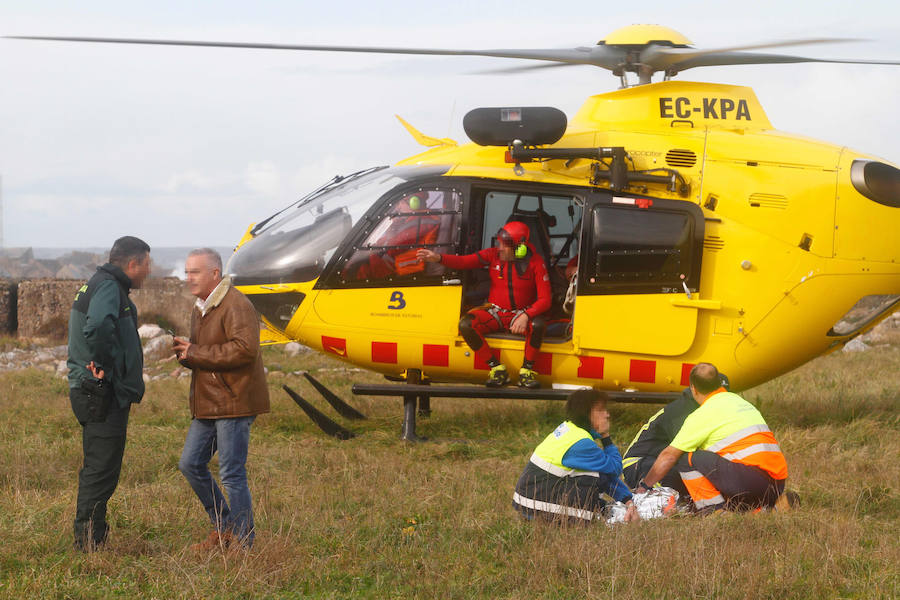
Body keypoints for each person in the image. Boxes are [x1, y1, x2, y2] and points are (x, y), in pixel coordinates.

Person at [173, 248, 270, 550]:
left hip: (234, 401)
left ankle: (244, 543)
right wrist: (186, 354)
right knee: (190, 464)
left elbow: (245, 349)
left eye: (195, 272)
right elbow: (207, 354)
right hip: (208, 403)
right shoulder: (200, 306)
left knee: (231, 474)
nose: (188, 278)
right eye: (187, 272)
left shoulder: (236, 304)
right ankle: (225, 527)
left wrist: (196, 352)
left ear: (215, 274)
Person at [67, 235, 151, 551]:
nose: (148, 272)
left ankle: (93, 538)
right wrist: (102, 364)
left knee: (100, 467)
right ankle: (88, 544)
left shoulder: (100, 283)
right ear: (133, 264)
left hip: (94, 390)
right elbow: (99, 325)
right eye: (146, 265)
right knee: (101, 470)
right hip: (100, 392)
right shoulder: (108, 287)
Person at [635, 363, 788, 512]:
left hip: (749, 482)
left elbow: (669, 456)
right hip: (777, 483)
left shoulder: (702, 415)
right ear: (718, 383)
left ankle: (714, 511)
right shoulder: (742, 403)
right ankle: (765, 507)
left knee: (685, 459)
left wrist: (645, 486)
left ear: (693, 389)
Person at [416, 221, 551, 388]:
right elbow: (465, 262)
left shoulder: (536, 262)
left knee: (538, 325)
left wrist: (526, 315)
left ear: (519, 248)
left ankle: (527, 372)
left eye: (504, 245)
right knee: (466, 324)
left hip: (520, 315)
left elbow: (545, 300)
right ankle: (497, 369)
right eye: (498, 243)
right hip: (495, 312)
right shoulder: (492, 254)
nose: (499, 248)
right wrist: (438, 258)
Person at [512, 389, 639, 523]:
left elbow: (605, 474)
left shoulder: (570, 430)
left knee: (594, 473)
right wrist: (606, 436)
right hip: (538, 507)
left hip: (529, 502)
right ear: (586, 414)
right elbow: (615, 468)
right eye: (601, 410)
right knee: (591, 478)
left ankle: (603, 510)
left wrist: (627, 500)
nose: (607, 414)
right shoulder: (581, 443)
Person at [622, 373, 730, 495]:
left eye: (722, 394)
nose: (717, 398)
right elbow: (681, 452)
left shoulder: (708, 408)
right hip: (639, 463)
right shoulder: (682, 411)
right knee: (680, 477)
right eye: (713, 393)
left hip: (665, 459)